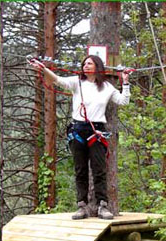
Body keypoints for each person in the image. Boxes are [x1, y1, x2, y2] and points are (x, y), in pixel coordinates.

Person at [29, 55, 131, 220]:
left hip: (96, 131)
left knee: (99, 170)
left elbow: (123, 101)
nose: (86, 66)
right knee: (80, 170)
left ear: (97, 66)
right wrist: (42, 68)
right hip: (78, 129)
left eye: (89, 63)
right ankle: (82, 206)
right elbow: (57, 80)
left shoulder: (106, 87)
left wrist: (125, 82)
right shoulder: (77, 82)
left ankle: (103, 206)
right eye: (84, 63)